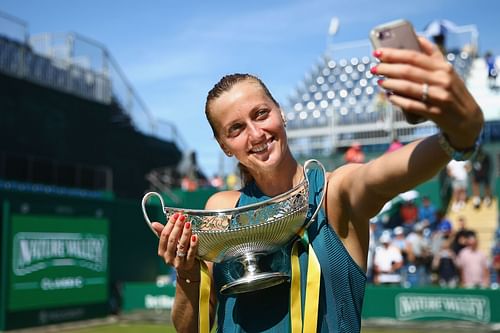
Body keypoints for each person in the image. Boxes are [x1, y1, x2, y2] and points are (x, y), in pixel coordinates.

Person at [151, 35, 483, 332]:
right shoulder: (220, 211)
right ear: (224, 146)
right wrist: (187, 275)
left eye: (261, 114)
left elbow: (382, 175)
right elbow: (190, 329)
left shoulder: (333, 195)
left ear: (281, 113)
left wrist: (458, 135)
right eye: (235, 129)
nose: (255, 135)